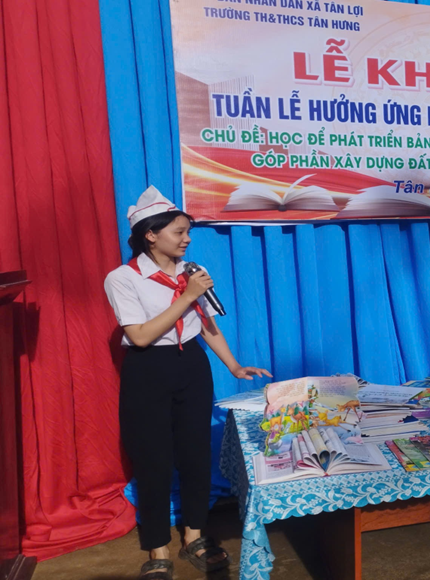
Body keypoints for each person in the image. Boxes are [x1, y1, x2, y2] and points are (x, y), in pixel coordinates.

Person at [104, 186, 271, 579]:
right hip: (148, 368)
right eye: (179, 232)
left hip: (192, 365)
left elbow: (205, 322)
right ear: (150, 235)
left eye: (187, 232)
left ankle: (194, 534)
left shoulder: (191, 271)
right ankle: (157, 547)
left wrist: (233, 366)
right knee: (153, 460)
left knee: (196, 454)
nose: (187, 239)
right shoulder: (123, 278)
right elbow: (140, 336)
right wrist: (186, 295)